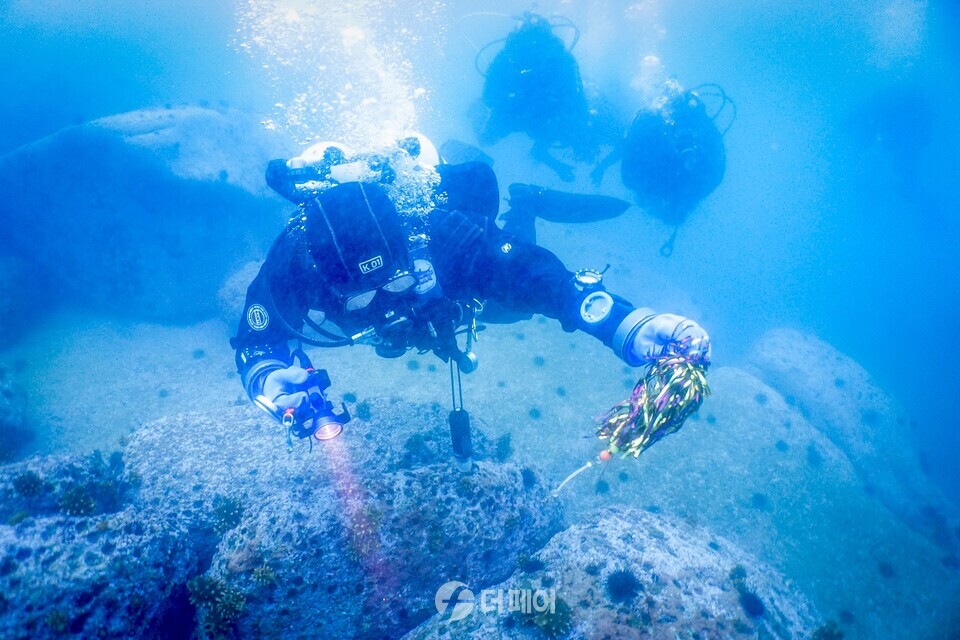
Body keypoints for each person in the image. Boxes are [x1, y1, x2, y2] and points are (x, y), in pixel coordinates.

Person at [232, 134, 711, 469]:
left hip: (450, 291)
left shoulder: (440, 232)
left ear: (410, 249)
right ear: (323, 279)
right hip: (412, 285)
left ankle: (526, 204)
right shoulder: (295, 263)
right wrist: (275, 382)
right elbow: (259, 339)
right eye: (361, 299)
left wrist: (622, 323)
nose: (384, 305)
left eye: (396, 284)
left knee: (511, 303)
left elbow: (538, 278)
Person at [592, 84, 730, 253]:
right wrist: (602, 167)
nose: (648, 208)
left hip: (660, 145)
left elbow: (628, 146)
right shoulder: (699, 183)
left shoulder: (639, 178)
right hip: (662, 147)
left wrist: (602, 166)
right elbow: (630, 147)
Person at [473, 12, 594, 181]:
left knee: (486, 138)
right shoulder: (562, 58)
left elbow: (489, 97)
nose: (533, 49)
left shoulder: (508, 55)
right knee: (563, 132)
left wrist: (513, 102)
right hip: (542, 114)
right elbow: (578, 101)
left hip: (520, 113)